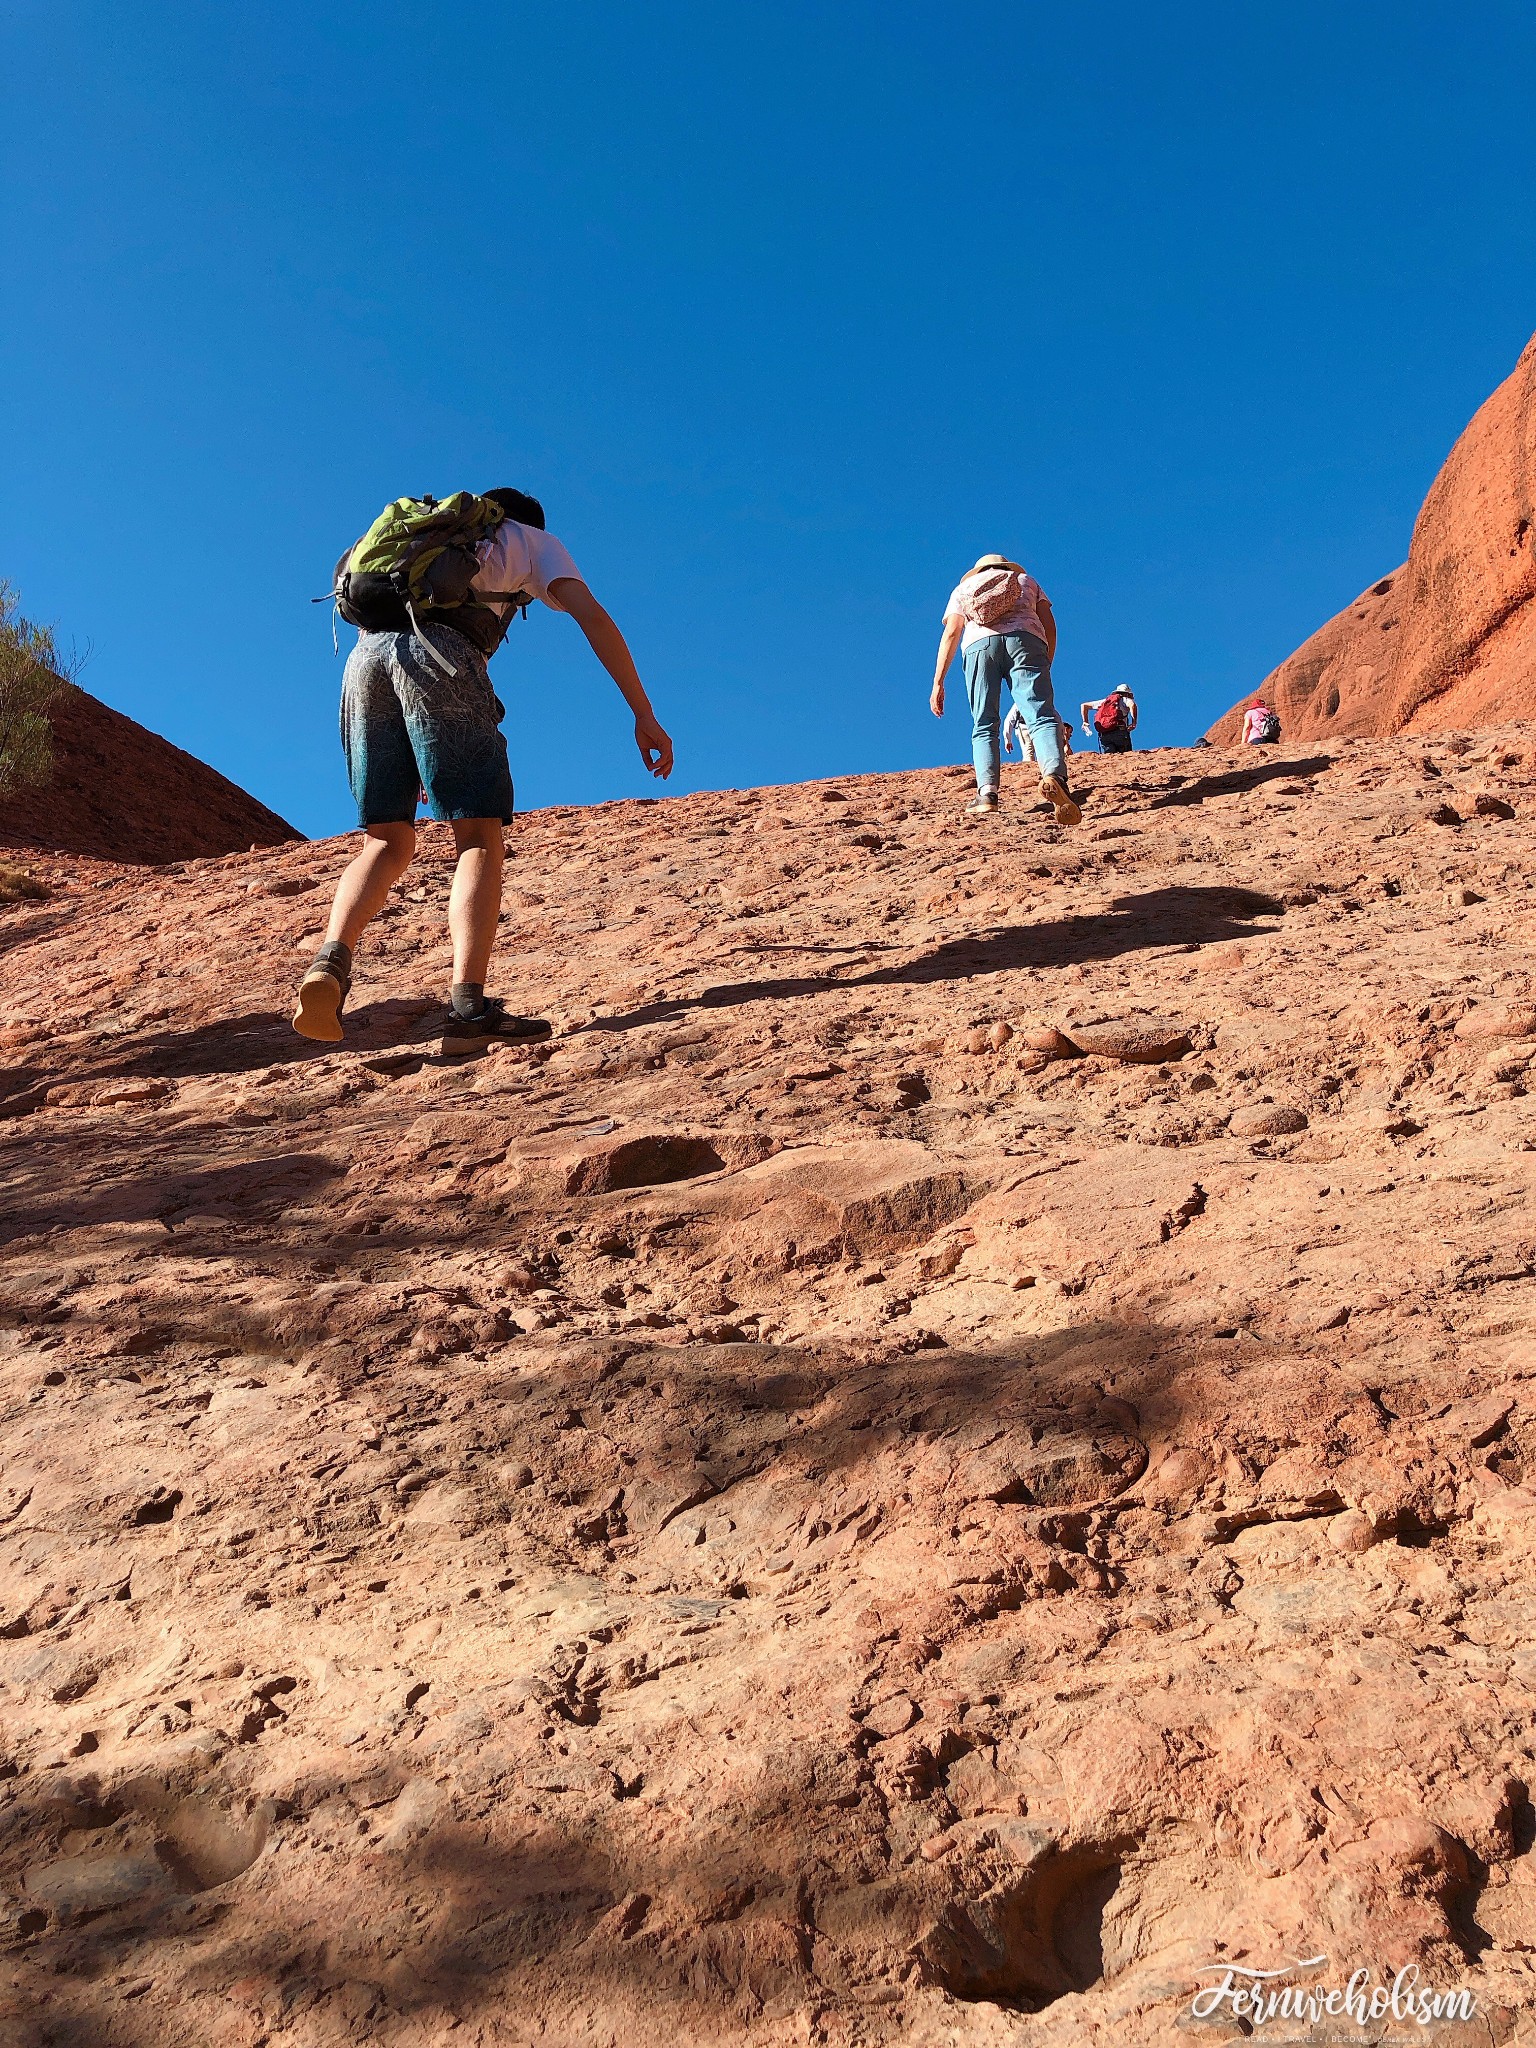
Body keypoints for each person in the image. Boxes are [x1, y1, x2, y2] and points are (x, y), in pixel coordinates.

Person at [294, 488, 673, 1056]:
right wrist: (643, 713)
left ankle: (330, 962)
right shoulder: (532, 540)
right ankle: (469, 1005)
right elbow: (592, 616)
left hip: (364, 663)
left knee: (387, 841)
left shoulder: (419, 536)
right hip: (440, 657)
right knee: (477, 835)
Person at [931, 554, 1081, 823]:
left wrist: (938, 681)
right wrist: (1046, 658)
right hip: (1026, 642)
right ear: (1005, 566)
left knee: (984, 722)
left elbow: (952, 632)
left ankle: (987, 794)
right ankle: (1055, 775)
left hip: (979, 648)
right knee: (1041, 714)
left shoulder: (963, 588)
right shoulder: (1025, 580)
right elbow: (1049, 623)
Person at [1002, 701, 1072, 766]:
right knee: (1041, 750)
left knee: (1029, 751)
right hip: (1038, 727)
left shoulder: (1020, 700)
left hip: (1028, 727)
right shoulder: (1041, 698)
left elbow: (1010, 720)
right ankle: (1038, 770)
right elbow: (1054, 715)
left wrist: (1007, 739)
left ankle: (1030, 771)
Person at [1081, 684, 1137, 752]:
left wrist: (1085, 722)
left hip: (1104, 734)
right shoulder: (1125, 699)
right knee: (1125, 757)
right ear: (1127, 694)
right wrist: (1134, 722)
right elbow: (1133, 705)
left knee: (1110, 756)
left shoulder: (1105, 701)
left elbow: (1084, 705)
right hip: (1119, 732)